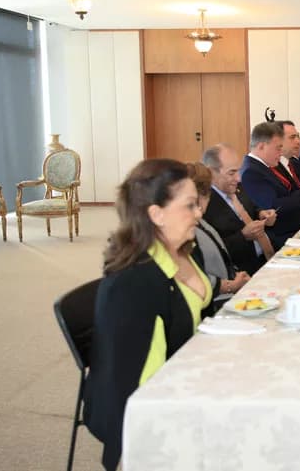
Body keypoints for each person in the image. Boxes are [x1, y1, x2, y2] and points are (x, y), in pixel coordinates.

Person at [85, 159, 214, 471]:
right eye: (189, 206)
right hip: (154, 412)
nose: (198, 214)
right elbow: (135, 382)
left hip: (190, 373)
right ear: (156, 214)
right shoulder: (134, 283)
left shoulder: (183, 248)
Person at [240, 122, 300, 245]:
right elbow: (272, 206)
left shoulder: (267, 165)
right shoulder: (251, 171)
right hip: (282, 236)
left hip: (296, 227)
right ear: (261, 146)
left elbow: (291, 194)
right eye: (278, 148)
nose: (280, 152)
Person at [202, 144, 276, 272]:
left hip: (266, 258)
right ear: (211, 172)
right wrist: (243, 236)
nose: (238, 178)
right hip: (241, 271)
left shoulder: (237, 187)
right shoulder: (204, 204)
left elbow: (252, 207)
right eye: (231, 173)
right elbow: (212, 251)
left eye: (238, 171)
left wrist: (261, 213)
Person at [186, 161, 251, 305]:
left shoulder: (202, 223)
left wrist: (235, 276)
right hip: (213, 302)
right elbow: (192, 274)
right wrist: (230, 285)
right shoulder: (186, 229)